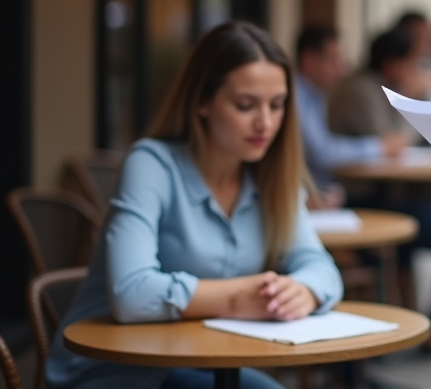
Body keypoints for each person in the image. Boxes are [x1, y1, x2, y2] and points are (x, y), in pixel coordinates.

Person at [47, 21, 343, 389]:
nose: (265, 123)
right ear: (202, 100)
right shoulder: (151, 164)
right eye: (245, 105)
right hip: (110, 370)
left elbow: (322, 270)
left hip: (200, 364)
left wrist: (304, 290)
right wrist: (239, 298)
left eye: (277, 105)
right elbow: (131, 294)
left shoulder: (271, 178)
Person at [330, 27, 431, 357]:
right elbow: (392, 143)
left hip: (399, 194)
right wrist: (414, 99)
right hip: (369, 200)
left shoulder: (382, 86)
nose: (416, 71)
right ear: (392, 63)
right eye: (412, 63)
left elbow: (424, 134)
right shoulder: (361, 90)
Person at [294, 25, 382, 199]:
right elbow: (322, 153)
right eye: (334, 60)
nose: (342, 70)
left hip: (320, 194)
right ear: (309, 60)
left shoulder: (316, 94)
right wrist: (378, 147)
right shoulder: (295, 96)